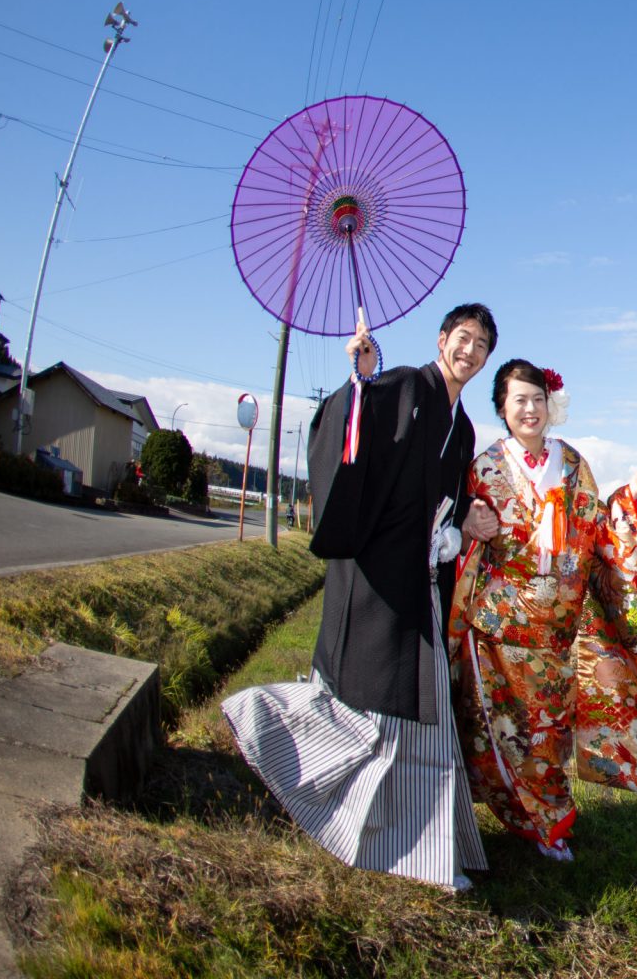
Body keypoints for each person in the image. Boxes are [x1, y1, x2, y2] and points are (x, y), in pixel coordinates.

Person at [224, 303, 502, 891]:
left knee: (421, 705)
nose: (469, 351)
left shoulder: (465, 426)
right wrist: (361, 381)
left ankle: (417, 844)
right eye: (463, 338)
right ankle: (267, 723)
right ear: (442, 338)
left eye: (481, 345)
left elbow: (451, 496)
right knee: (373, 704)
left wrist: (462, 523)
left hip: (423, 577)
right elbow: (350, 436)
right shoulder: (400, 385)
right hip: (378, 575)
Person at [447, 359, 637, 862]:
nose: (529, 409)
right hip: (498, 627)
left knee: (547, 734)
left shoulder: (572, 464)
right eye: (518, 400)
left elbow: (596, 527)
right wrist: (466, 522)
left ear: (551, 405)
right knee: (498, 731)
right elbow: (461, 527)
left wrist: (627, 498)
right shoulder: (483, 468)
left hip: (554, 634)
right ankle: (519, 822)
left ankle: (548, 820)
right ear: (502, 408)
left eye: (536, 399)